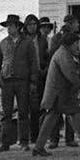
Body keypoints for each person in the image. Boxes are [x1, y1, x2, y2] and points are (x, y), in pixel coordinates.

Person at [33, 30, 80, 155]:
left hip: (60, 93)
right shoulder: (64, 55)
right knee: (68, 116)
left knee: (70, 115)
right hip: (59, 93)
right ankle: (39, 147)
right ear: (70, 44)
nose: (77, 47)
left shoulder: (62, 53)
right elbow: (71, 75)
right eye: (76, 44)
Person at [0, 13, 36, 151]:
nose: (8, 28)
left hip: (22, 81)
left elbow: (33, 63)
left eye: (10, 26)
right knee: (6, 113)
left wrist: (33, 82)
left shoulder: (27, 43)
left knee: (23, 112)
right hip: (6, 82)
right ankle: (5, 143)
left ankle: (23, 142)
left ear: (17, 27)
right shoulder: (3, 43)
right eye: (7, 26)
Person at [24, 15, 52, 149]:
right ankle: (29, 137)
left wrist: (45, 69)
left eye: (34, 24)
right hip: (26, 77)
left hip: (41, 76)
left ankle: (38, 136)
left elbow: (47, 57)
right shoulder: (23, 40)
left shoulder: (42, 41)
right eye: (29, 24)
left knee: (40, 107)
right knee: (28, 108)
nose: (32, 27)